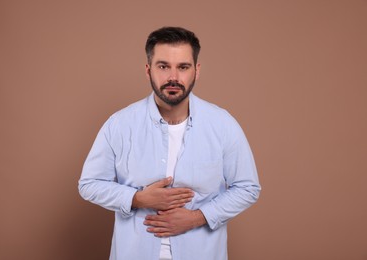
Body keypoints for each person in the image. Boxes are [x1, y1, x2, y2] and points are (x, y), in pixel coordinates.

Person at [78, 26, 261, 260]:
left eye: (183, 67)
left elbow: (247, 188)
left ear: (196, 70)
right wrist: (137, 198)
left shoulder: (222, 124)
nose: (173, 77)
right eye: (163, 66)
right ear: (148, 70)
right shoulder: (120, 124)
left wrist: (198, 217)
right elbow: (89, 184)